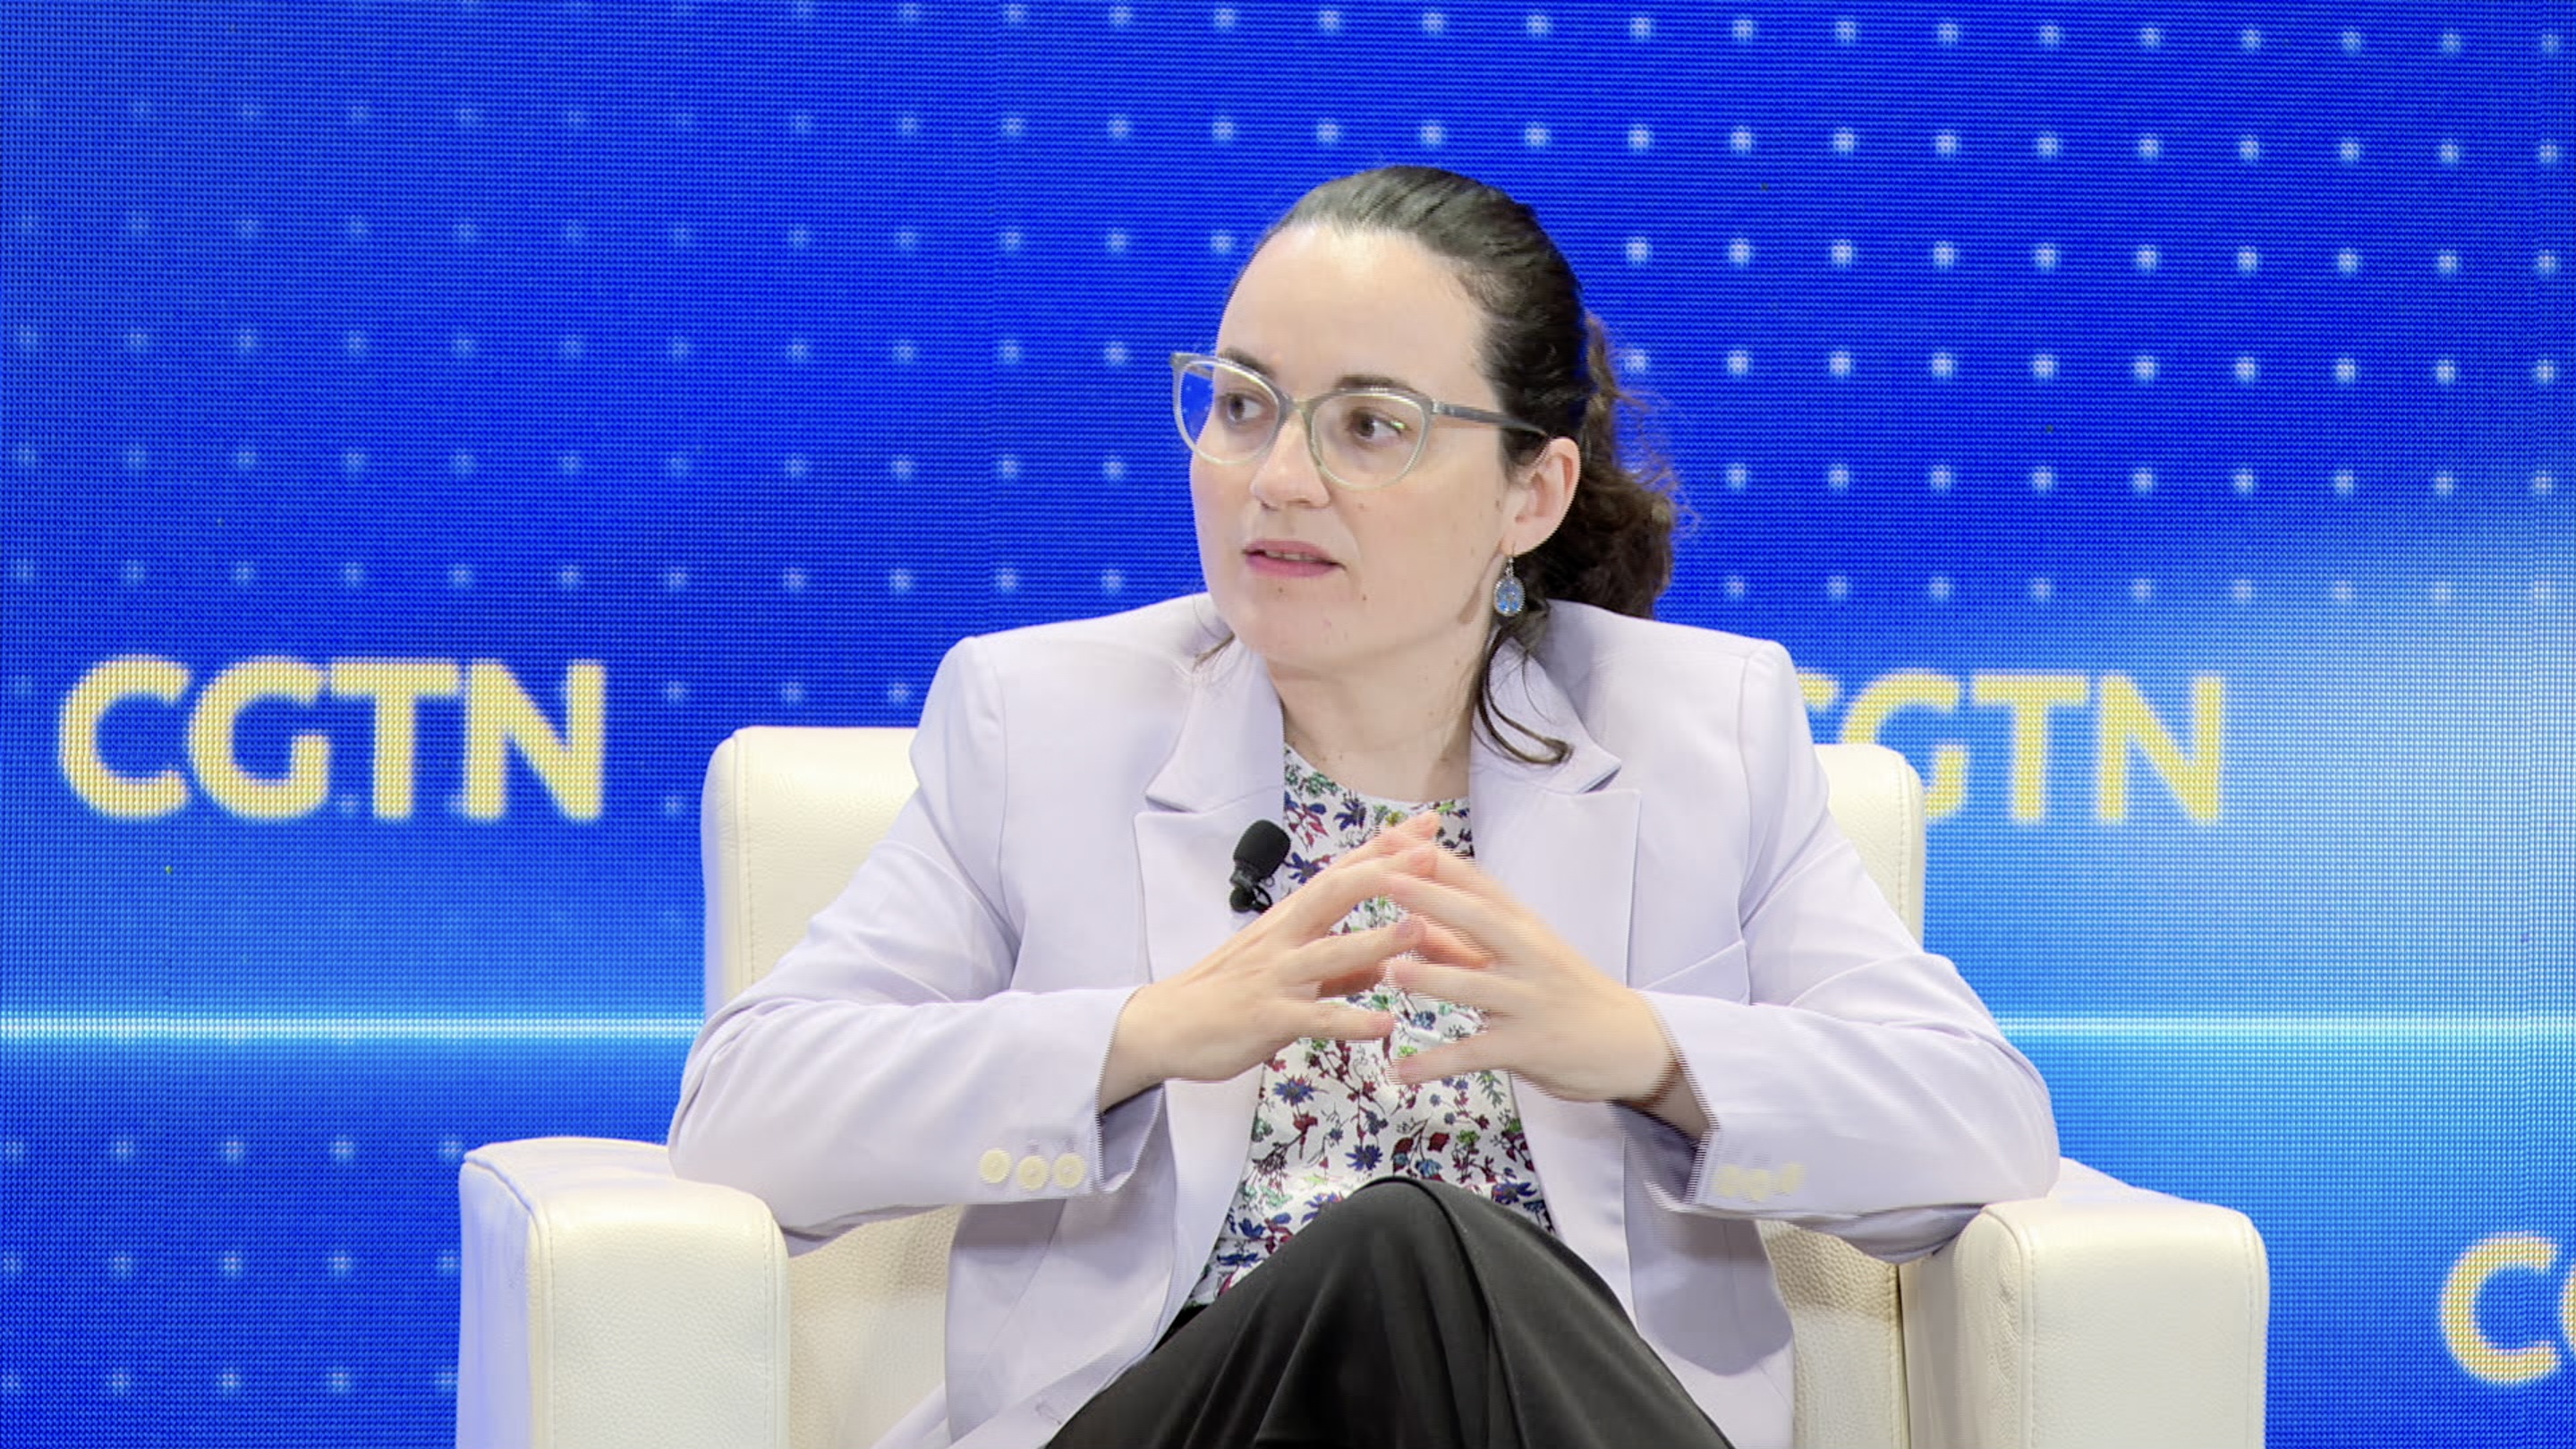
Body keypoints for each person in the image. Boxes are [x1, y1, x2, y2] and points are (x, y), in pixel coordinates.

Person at [667, 166, 2058, 1449]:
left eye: (1370, 427)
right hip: (1176, 1417)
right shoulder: (1040, 724)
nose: (1277, 479)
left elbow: (1980, 1121)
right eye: (1242, 405)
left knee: (1432, 1259)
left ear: (1532, 492)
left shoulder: (1705, 735)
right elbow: (748, 1113)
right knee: (1399, 1254)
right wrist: (1140, 1035)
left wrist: (1643, 1051)